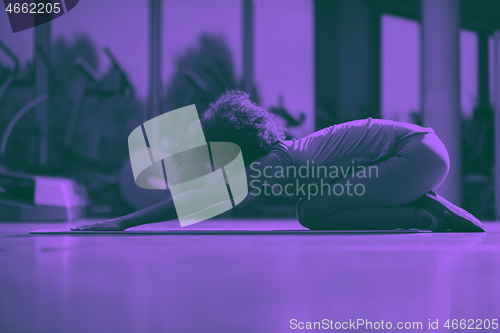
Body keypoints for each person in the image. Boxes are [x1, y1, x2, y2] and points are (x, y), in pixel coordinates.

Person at [72, 91, 485, 232]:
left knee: (316, 211)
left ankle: (424, 215)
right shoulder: (289, 153)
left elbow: (201, 200)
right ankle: (420, 206)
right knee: (310, 205)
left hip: (414, 156)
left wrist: (124, 220)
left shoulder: (273, 164)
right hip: (422, 149)